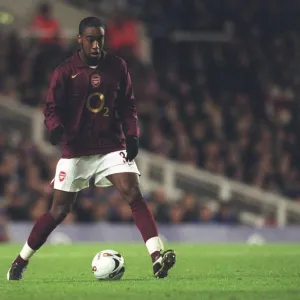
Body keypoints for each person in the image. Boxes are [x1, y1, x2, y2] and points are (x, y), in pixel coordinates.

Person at [7, 17, 176, 280]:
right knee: (59, 211)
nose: (96, 44)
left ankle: (157, 257)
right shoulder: (64, 72)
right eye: (91, 39)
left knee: (133, 193)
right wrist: (55, 127)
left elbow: (128, 106)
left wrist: (132, 135)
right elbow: (51, 108)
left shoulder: (117, 66)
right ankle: (20, 260)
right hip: (76, 149)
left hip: (111, 144)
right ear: (80, 40)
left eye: (100, 39)